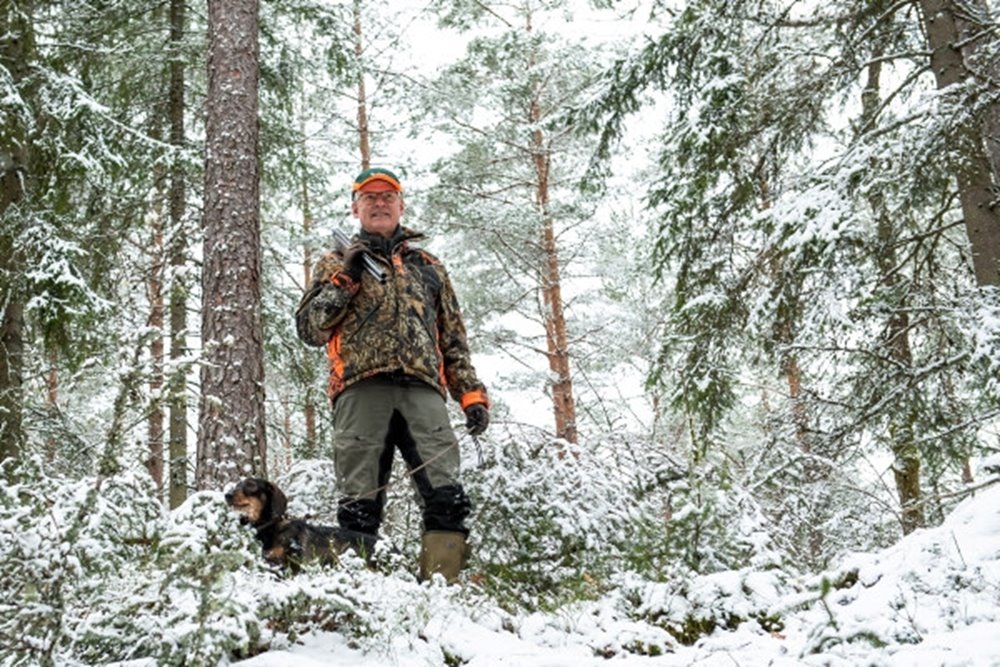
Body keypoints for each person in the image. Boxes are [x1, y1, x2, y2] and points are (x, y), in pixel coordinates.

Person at [295, 166, 490, 582]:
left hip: (423, 391)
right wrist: (346, 278)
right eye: (370, 197)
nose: (379, 203)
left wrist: (470, 395)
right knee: (359, 503)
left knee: (446, 495)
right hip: (360, 390)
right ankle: (360, 597)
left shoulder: (429, 267)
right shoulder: (333, 261)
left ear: (401, 205)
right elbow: (311, 329)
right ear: (355, 207)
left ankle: (442, 591)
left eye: (388, 196)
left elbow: (453, 338)